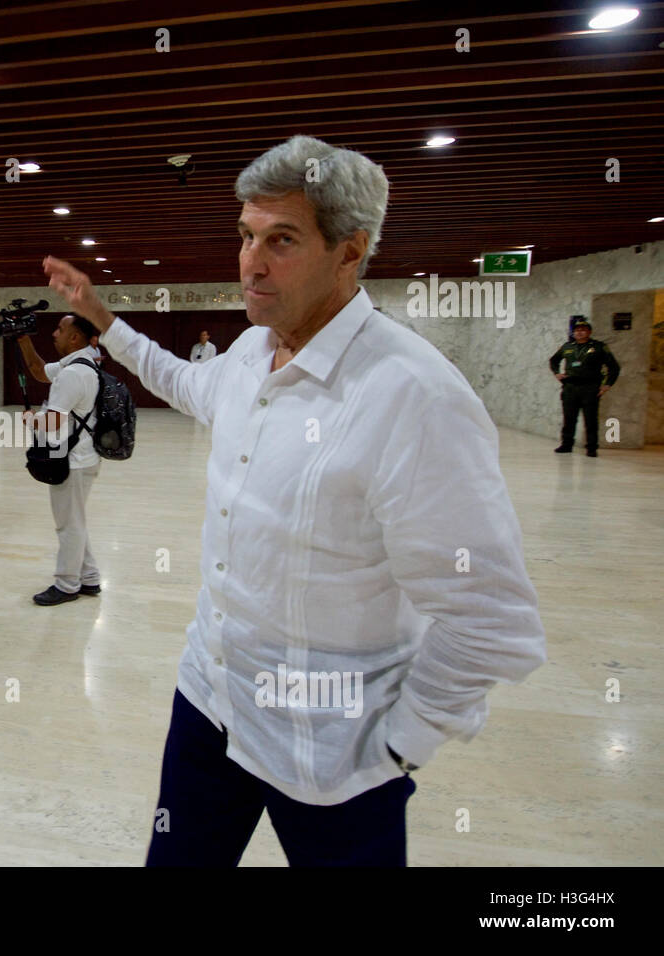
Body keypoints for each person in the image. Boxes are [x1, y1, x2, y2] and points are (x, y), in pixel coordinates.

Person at [43, 134, 546, 867]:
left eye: (282, 239)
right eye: (247, 235)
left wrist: (400, 746)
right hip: (209, 703)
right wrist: (103, 317)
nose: (251, 260)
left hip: (333, 755)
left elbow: (491, 617)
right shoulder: (251, 354)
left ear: (350, 251)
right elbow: (182, 381)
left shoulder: (412, 396)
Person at [20, 314, 101, 606]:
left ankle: (67, 584)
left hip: (72, 458)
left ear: (75, 338)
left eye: (60, 330)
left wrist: (31, 419)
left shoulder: (73, 374)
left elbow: (53, 422)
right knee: (74, 519)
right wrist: (22, 339)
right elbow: (39, 371)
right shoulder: (81, 363)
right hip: (82, 455)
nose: (54, 334)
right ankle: (89, 577)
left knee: (68, 525)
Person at [548, 319, 619, 456]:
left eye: (583, 330)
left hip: (590, 387)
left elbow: (614, 367)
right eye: (577, 330)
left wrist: (607, 384)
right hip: (570, 387)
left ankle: (591, 448)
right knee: (569, 418)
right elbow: (554, 360)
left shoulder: (599, 347)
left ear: (589, 332)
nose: (580, 332)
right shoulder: (567, 347)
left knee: (591, 419)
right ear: (573, 332)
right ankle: (566, 444)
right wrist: (557, 373)